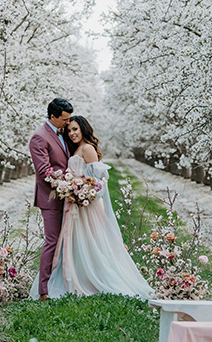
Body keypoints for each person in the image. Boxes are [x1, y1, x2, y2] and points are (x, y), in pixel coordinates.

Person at [30, 115, 153, 300]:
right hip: (73, 204)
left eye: (75, 129)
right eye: (69, 130)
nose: (71, 133)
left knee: (90, 243)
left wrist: (84, 193)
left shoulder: (87, 148)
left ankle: (91, 278)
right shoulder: (76, 149)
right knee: (75, 242)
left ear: (83, 129)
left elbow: (100, 182)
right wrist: (72, 190)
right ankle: (74, 276)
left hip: (85, 206)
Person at [29, 98, 73, 300]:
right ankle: (44, 290)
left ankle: (62, 283)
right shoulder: (39, 137)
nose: (67, 123)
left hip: (67, 195)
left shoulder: (62, 132)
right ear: (53, 117)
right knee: (52, 241)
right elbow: (43, 171)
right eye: (64, 119)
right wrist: (70, 179)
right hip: (51, 197)